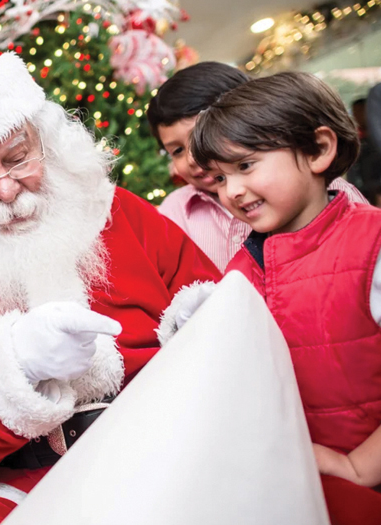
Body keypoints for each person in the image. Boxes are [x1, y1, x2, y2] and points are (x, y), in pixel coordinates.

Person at [0, 52, 220, 524]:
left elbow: (222, 309)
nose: (6, 188)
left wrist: (199, 324)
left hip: (160, 443)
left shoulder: (119, 212)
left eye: (18, 157)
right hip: (20, 482)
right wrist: (12, 369)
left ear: (46, 142)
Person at [189, 71, 381, 524]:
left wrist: (360, 465)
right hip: (303, 491)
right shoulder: (242, 270)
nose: (231, 191)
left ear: (318, 149)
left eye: (246, 166)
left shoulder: (372, 244)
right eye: (219, 177)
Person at [148, 62, 367, 272]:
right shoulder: (174, 210)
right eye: (176, 151)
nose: (193, 158)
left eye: (200, 139)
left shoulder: (332, 194)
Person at [349, 97, 381, 205]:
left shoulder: (376, 138)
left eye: (360, 111)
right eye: (354, 112)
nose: (357, 116)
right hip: (366, 188)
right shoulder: (356, 139)